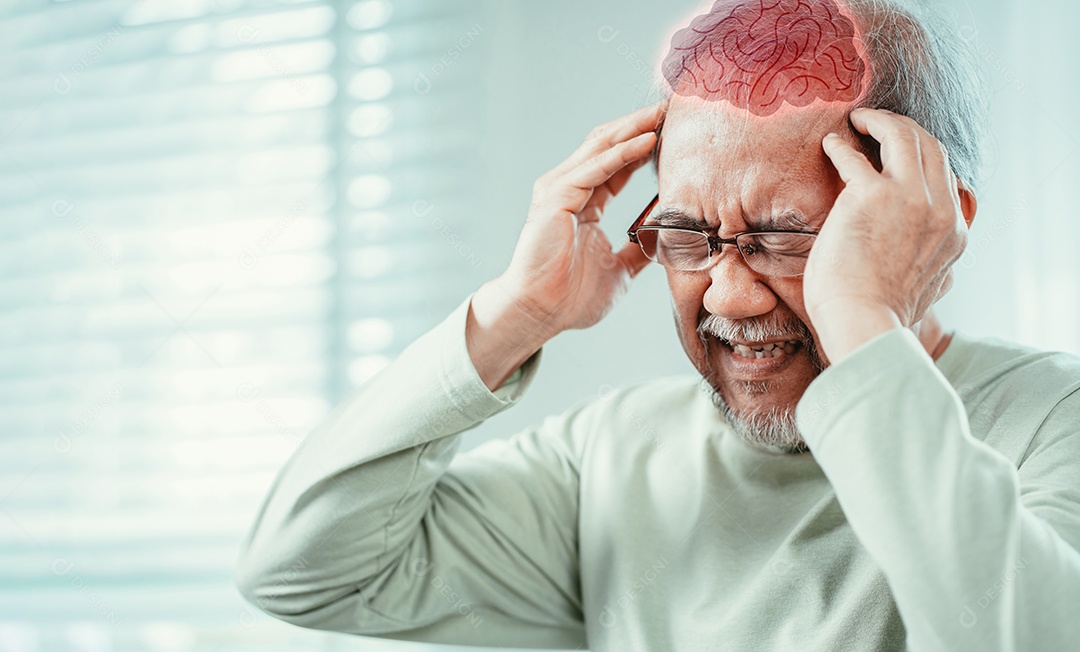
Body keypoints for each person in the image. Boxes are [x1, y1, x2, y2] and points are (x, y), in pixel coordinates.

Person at [235, 0, 1080, 649]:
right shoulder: (609, 459)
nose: (728, 298)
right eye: (687, 235)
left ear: (936, 223)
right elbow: (302, 569)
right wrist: (512, 314)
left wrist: (863, 318)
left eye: (788, 237)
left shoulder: (1055, 419)